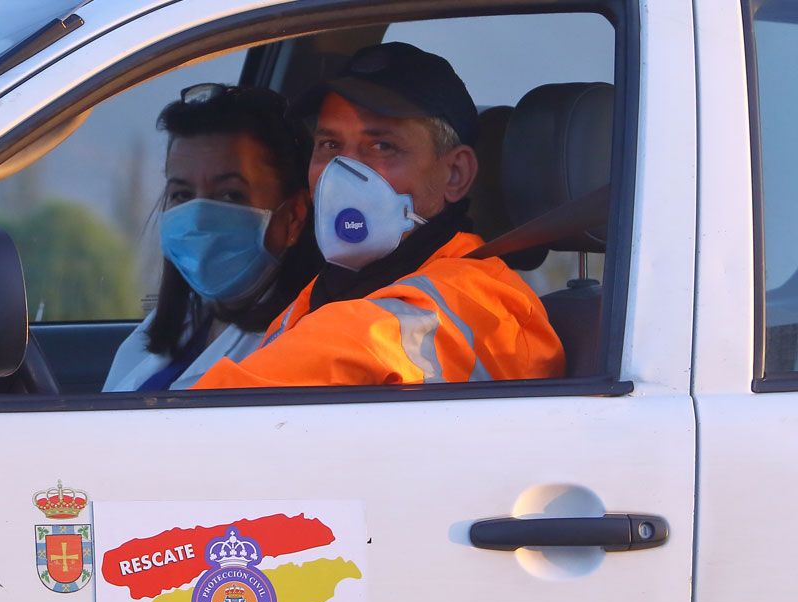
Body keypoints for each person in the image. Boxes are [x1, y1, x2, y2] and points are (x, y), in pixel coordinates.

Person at [192, 42, 564, 389]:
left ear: (455, 174)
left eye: (382, 146)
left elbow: (354, 343)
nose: (343, 171)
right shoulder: (334, 287)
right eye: (330, 145)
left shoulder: (481, 303)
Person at [103, 84, 322, 391]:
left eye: (231, 195)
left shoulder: (299, 350)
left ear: (294, 216)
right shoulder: (190, 319)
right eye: (182, 194)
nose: (199, 217)